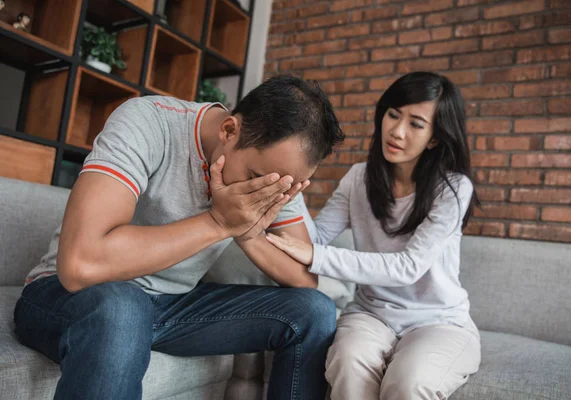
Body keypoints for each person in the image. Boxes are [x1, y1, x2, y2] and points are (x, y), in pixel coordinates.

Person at [13, 76, 345, 400]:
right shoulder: (148, 122)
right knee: (123, 308)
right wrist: (217, 222)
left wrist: (246, 228)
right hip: (71, 294)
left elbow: (305, 278)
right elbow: (80, 263)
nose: (264, 194)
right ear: (229, 130)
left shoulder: (275, 172)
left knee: (313, 311)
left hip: (171, 306)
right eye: (256, 179)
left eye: (281, 190)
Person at [266, 72, 481, 400]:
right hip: (371, 315)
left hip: (438, 321)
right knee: (348, 365)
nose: (397, 131)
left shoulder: (452, 189)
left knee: (409, 384)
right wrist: (287, 198)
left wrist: (315, 255)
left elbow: (408, 267)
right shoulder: (358, 178)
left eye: (416, 124)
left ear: (435, 138)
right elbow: (317, 237)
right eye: (393, 115)